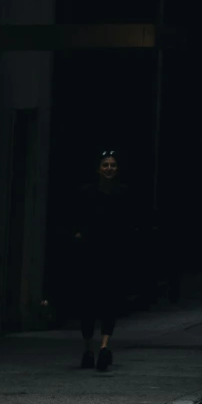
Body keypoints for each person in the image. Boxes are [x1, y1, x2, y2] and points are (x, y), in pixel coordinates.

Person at [74, 149, 131, 371]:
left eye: (113, 165)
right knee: (87, 304)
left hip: (112, 255)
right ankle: (88, 348)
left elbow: (128, 223)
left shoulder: (123, 193)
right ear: (99, 169)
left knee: (109, 302)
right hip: (89, 254)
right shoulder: (86, 193)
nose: (109, 169)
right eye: (105, 165)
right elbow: (76, 219)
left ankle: (104, 347)